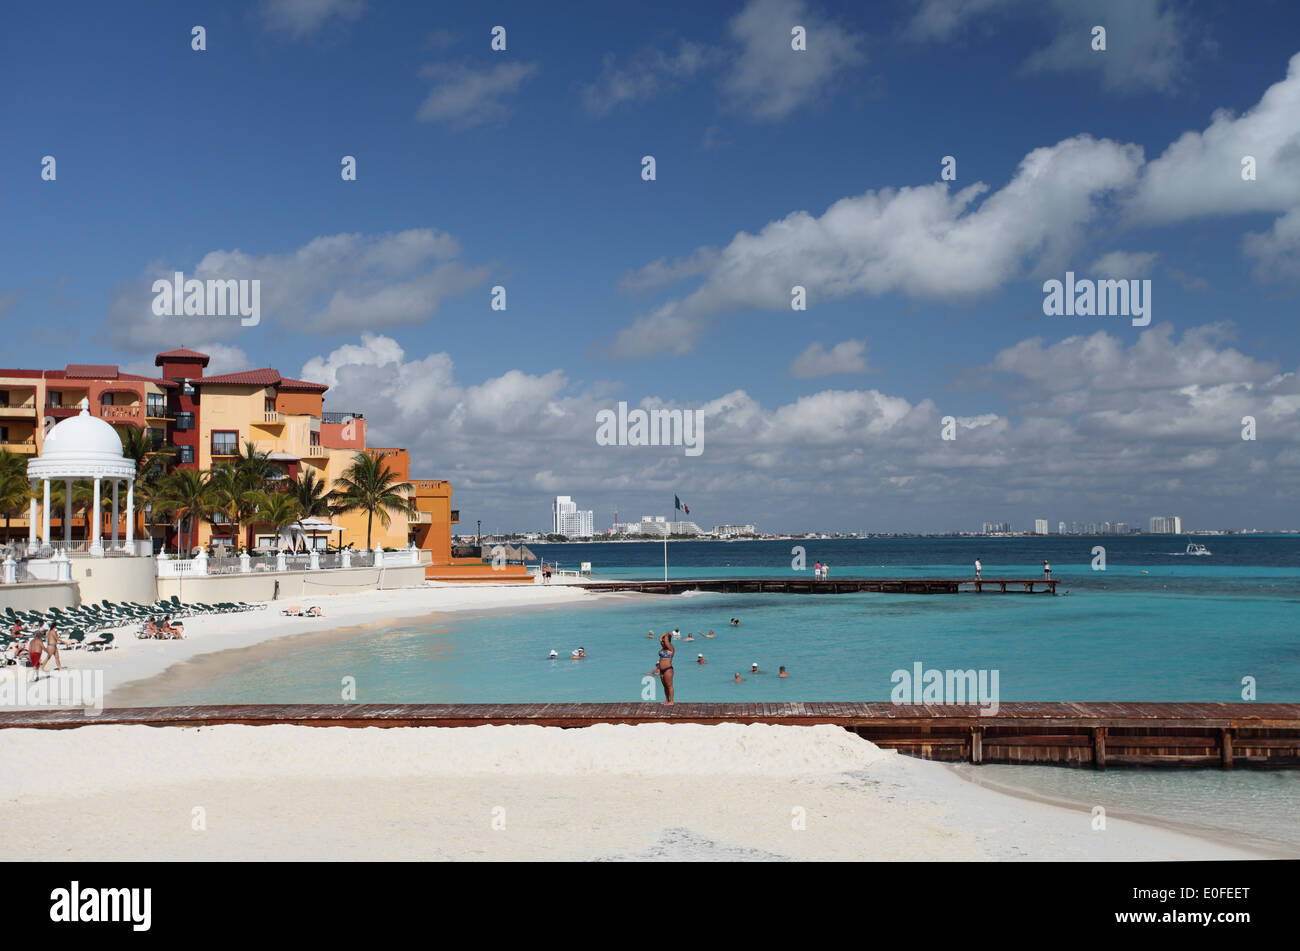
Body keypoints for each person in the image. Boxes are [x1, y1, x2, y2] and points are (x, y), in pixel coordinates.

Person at [655, 632, 674, 704]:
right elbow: (660, 639)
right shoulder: (663, 649)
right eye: (662, 642)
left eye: (664, 641)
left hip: (668, 669)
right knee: (665, 686)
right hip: (661, 670)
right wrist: (664, 635)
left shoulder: (671, 648)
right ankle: (667, 700)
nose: (662, 642)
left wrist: (667, 634)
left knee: (669, 685)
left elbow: (666, 640)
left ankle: (671, 701)